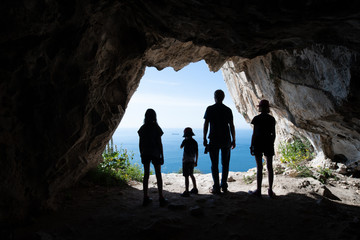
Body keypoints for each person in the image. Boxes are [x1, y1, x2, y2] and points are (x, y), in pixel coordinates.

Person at [203, 89, 236, 194]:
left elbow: (206, 124)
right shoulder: (228, 110)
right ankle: (224, 186)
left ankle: (216, 187)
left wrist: (204, 138)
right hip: (226, 139)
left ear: (215, 97)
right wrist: (234, 139)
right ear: (223, 97)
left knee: (214, 164)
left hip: (214, 139)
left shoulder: (210, 109)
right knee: (225, 164)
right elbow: (231, 126)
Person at [138, 109, 168, 206]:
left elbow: (140, 143)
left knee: (146, 175)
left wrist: (141, 153)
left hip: (145, 153)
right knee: (158, 175)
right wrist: (162, 155)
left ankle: (145, 197)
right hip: (155, 153)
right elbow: (160, 143)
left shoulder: (142, 128)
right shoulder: (156, 127)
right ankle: (161, 197)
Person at [249, 99, 276, 198]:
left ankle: (259, 190)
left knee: (259, 167)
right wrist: (271, 143)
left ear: (260, 108)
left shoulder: (256, 119)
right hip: (268, 143)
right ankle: (270, 190)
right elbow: (274, 134)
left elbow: (254, 133)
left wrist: (252, 145)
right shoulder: (271, 119)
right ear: (268, 108)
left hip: (258, 143)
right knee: (270, 167)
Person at [180, 127, 199, 197]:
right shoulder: (195, 142)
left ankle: (187, 191)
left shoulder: (185, 141)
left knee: (186, 176)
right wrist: (196, 161)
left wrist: (184, 141)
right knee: (191, 174)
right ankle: (195, 188)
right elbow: (197, 152)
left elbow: (181, 147)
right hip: (192, 160)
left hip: (185, 161)